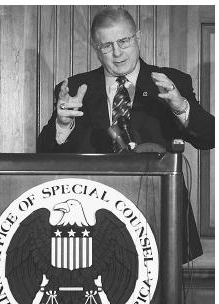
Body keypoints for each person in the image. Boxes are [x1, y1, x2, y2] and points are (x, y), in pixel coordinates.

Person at [37, 7, 215, 262]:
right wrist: (63, 125)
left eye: (123, 41)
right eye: (107, 46)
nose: (117, 53)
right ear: (95, 47)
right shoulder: (76, 88)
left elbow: (208, 138)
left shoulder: (171, 81)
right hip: (95, 223)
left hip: (160, 218)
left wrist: (181, 107)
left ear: (137, 37)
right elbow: (43, 155)